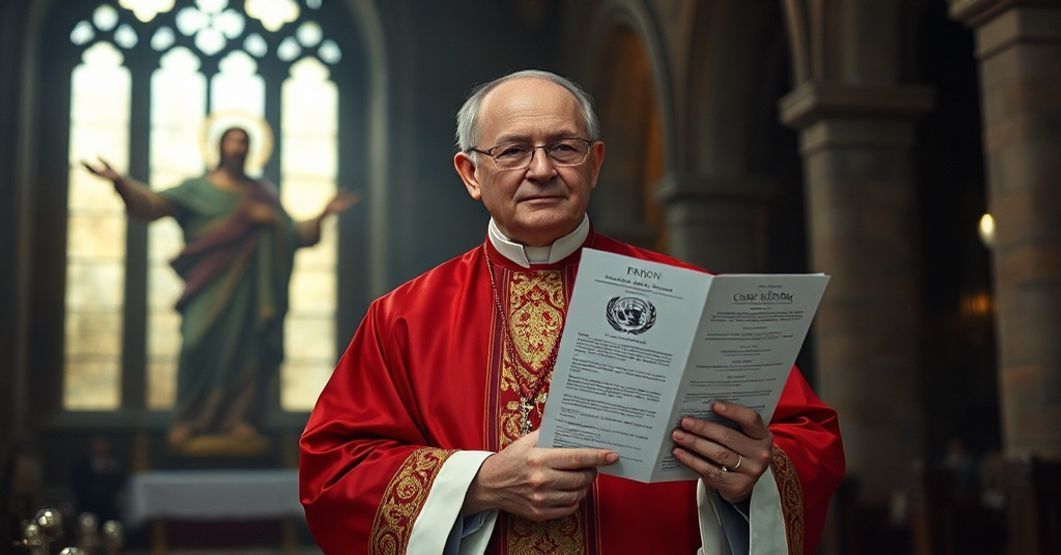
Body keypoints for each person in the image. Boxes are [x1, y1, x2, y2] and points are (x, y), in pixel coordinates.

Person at [299, 70, 844, 554]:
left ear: (596, 162)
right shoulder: (404, 317)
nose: (541, 170)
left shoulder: (692, 295)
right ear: (470, 173)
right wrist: (480, 481)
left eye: (564, 147)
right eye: (513, 151)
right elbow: (334, 471)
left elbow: (808, 440)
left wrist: (756, 474)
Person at [83, 126, 358, 447]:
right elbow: (153, 205)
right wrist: (121, 183)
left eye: (244, 141)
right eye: (232, 140)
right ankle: (188, 418)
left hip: (251, 293)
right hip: (209, 284)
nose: (238, 146)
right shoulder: (197, 190)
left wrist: (318, 215)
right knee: (195, 343)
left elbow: (295, 233)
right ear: (219, 146)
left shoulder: (262, 193)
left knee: (248, 350)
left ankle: (239, 420)